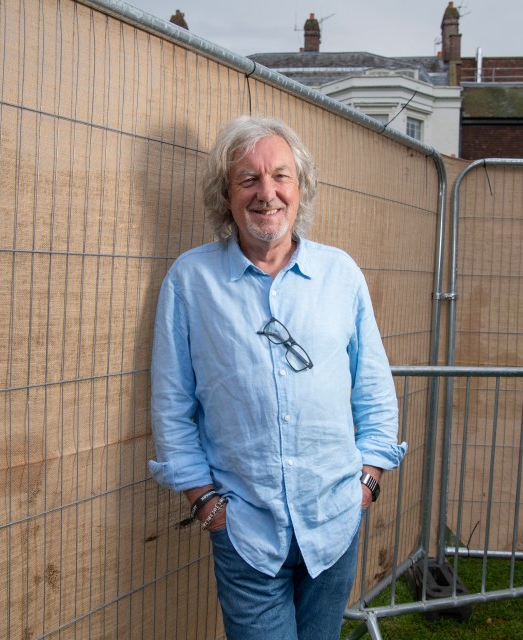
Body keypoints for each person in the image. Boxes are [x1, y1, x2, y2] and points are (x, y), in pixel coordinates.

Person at [148, 115, 407, 640]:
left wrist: (366, 484)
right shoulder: (191, 281)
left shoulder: (341, 276)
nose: (267, 193)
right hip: (245, 529)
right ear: (226, 194)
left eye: (280, 176)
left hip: (335, 518)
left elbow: (375, 392)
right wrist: (206, 503)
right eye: (248, 179)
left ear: (301, 187)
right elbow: (172, 404)